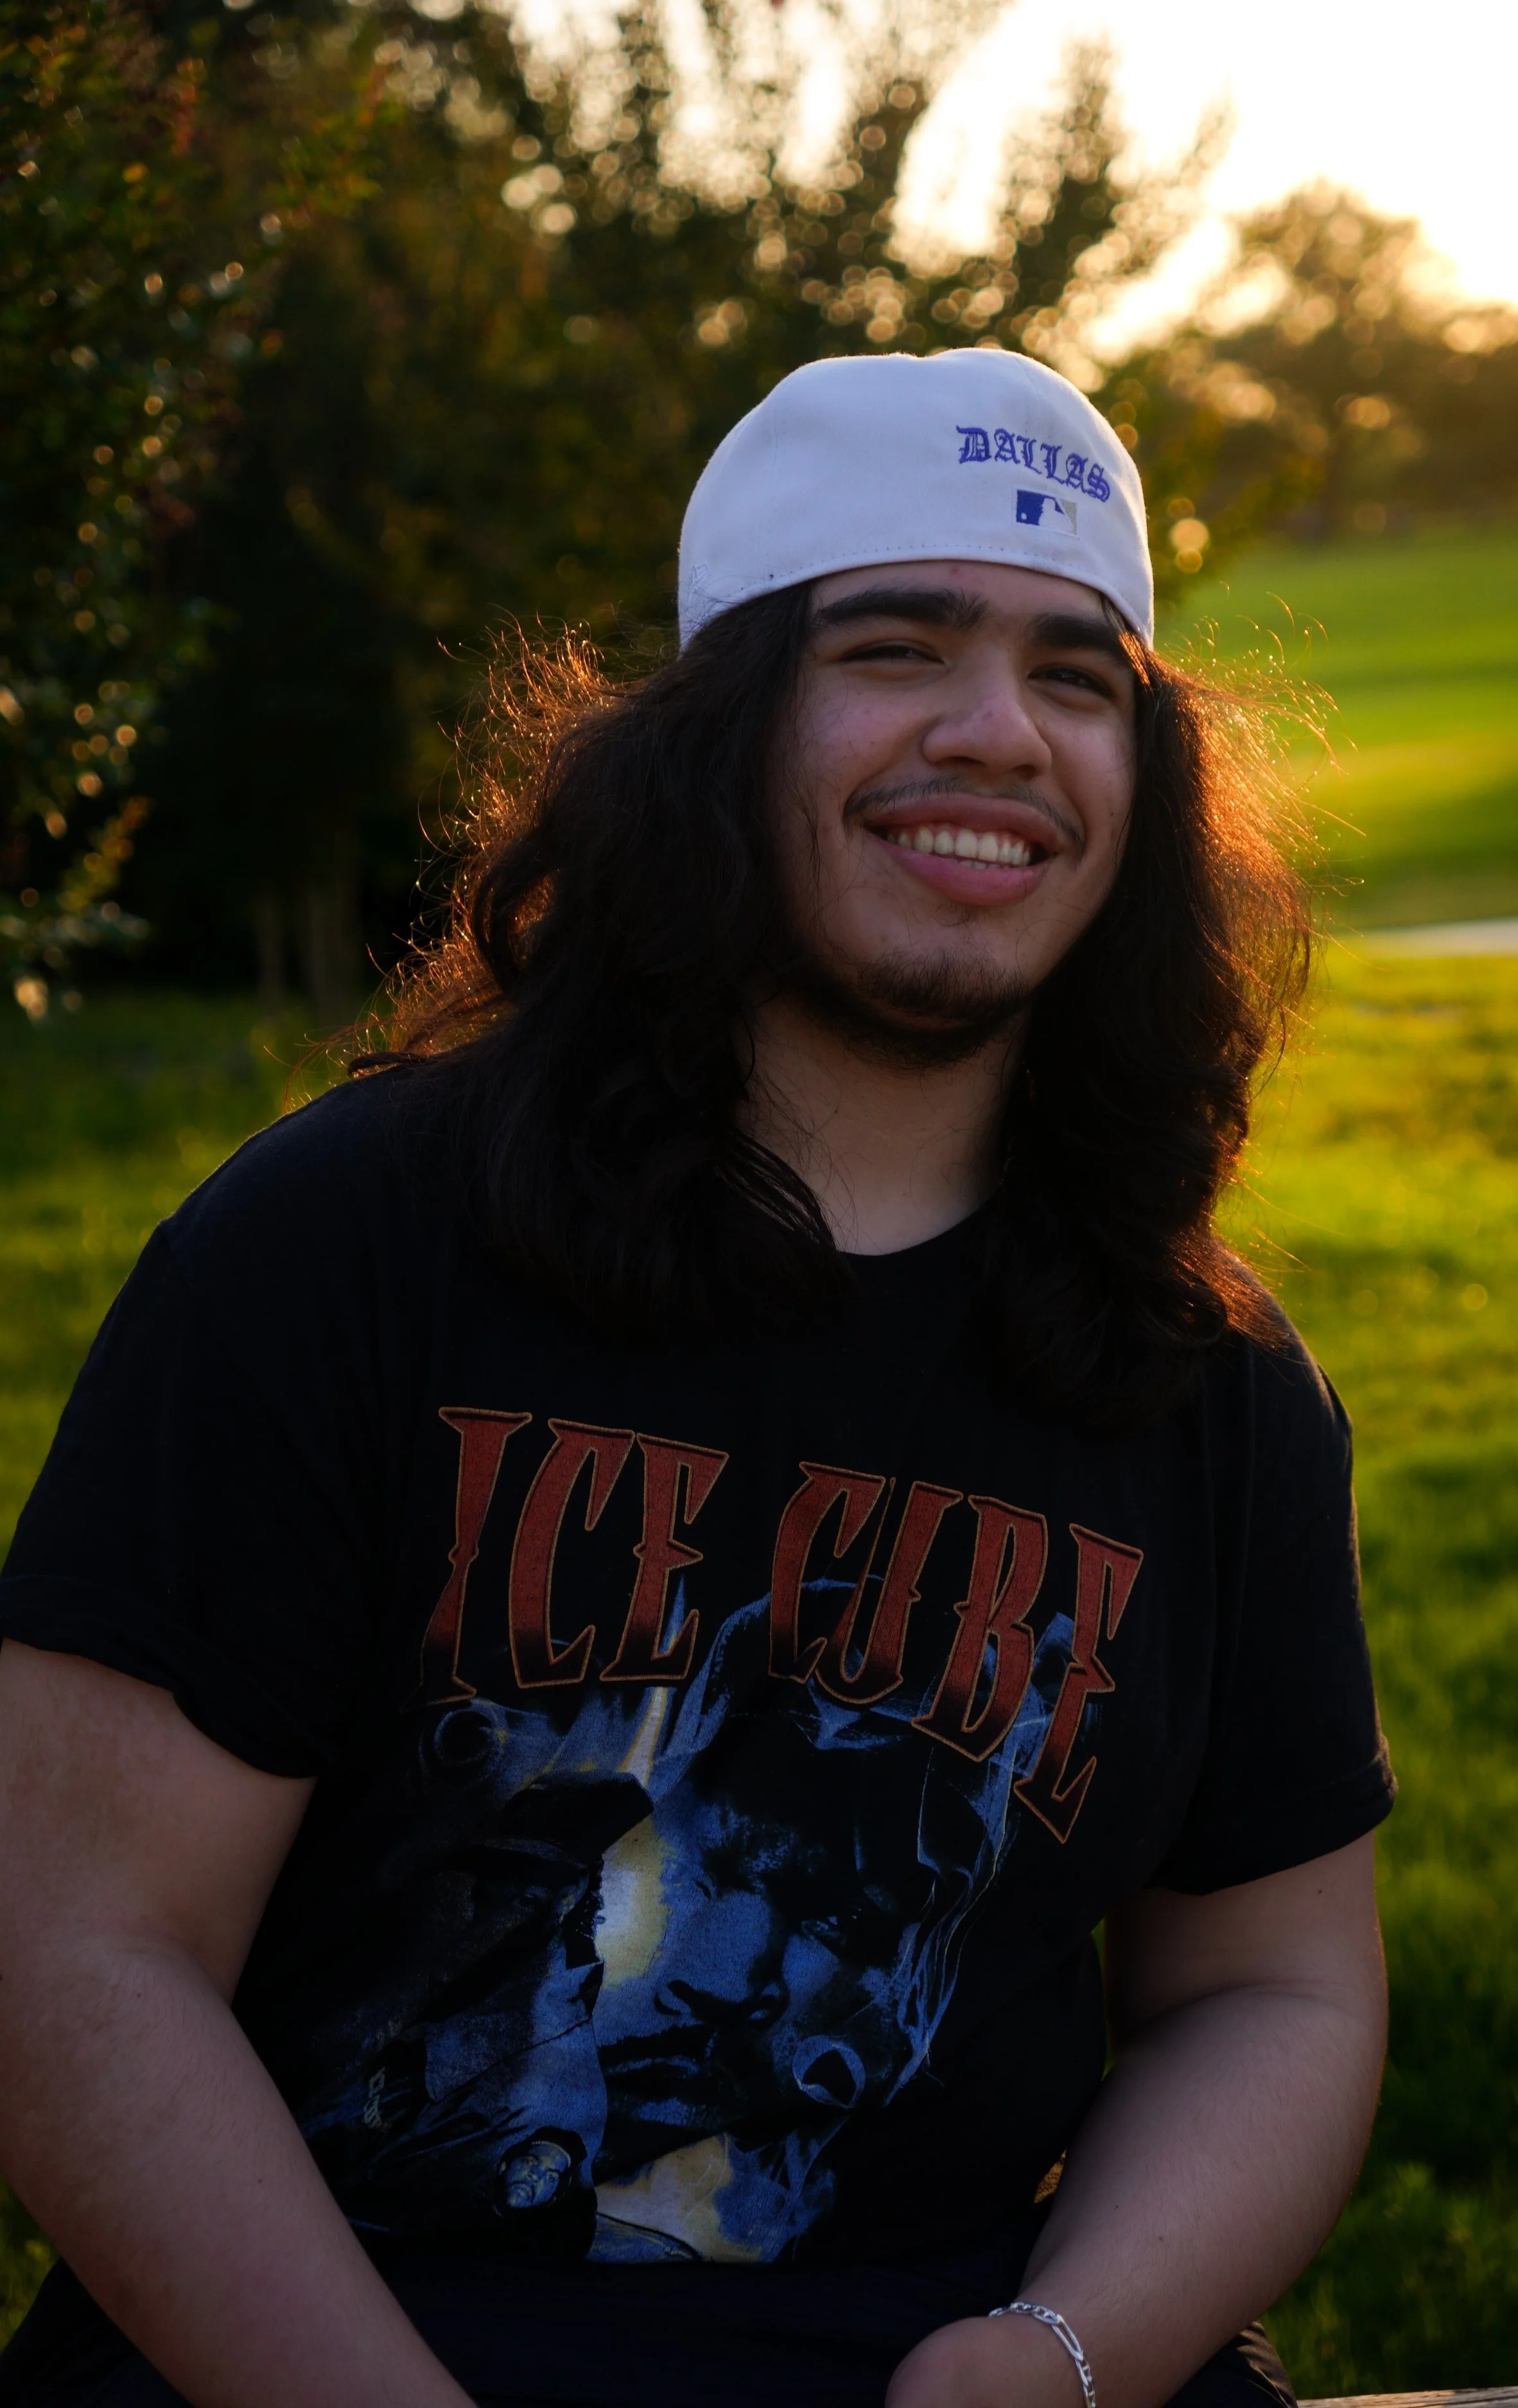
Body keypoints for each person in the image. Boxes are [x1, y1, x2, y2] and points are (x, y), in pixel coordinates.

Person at [0, 347, 1393, 2408]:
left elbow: (1269, 1987)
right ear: (712, 741)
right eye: (894, 646)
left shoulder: (1203, 1377)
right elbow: (72, 1951)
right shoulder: (341, 1244)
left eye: (1074, 676)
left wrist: (1057, 2354)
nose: (995, 732)